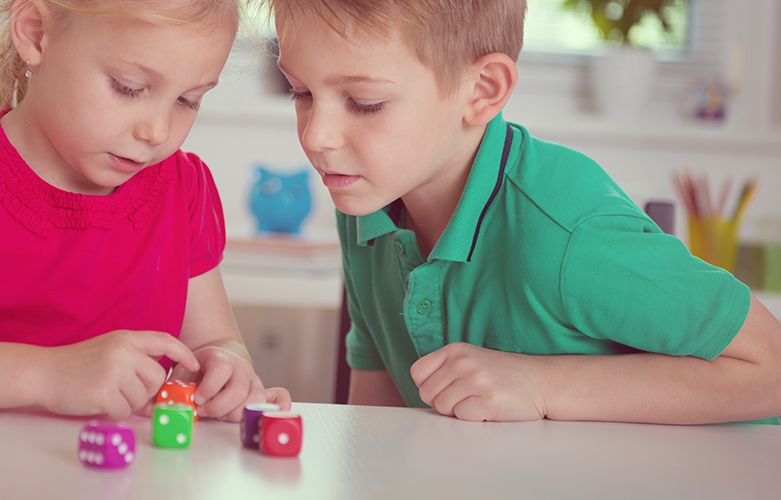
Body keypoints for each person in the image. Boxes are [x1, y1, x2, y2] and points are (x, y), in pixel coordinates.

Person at [265, 0, 781, 424]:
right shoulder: (365, 202)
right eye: (302, 92)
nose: (316, 136)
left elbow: (770, 368)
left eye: (364, 101)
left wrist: (540, 383)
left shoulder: (568, 231)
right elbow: (377, 419)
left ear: (482, 90)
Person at [0, 0, 290, 422]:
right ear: (35, 34)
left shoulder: (183, 190)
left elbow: (214, 341)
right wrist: (48, 375)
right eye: (128, 88)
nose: (158, 130)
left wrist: (226, 367)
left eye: (188, 101)